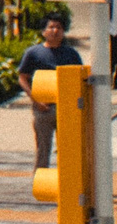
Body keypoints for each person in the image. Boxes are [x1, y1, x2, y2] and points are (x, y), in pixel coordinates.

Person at [16, 12, 83, 172]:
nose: (55, 31)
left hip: (66, 107)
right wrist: (35, 100)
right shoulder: (33, 53)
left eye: (58, 27)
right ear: (43, 31)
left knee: (68, 149)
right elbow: (22, 77)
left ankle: (67, 181)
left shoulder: (71, 54)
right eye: (51, 27)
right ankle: (40, 180)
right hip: (43, 108)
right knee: (43, 148)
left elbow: (81, 78)